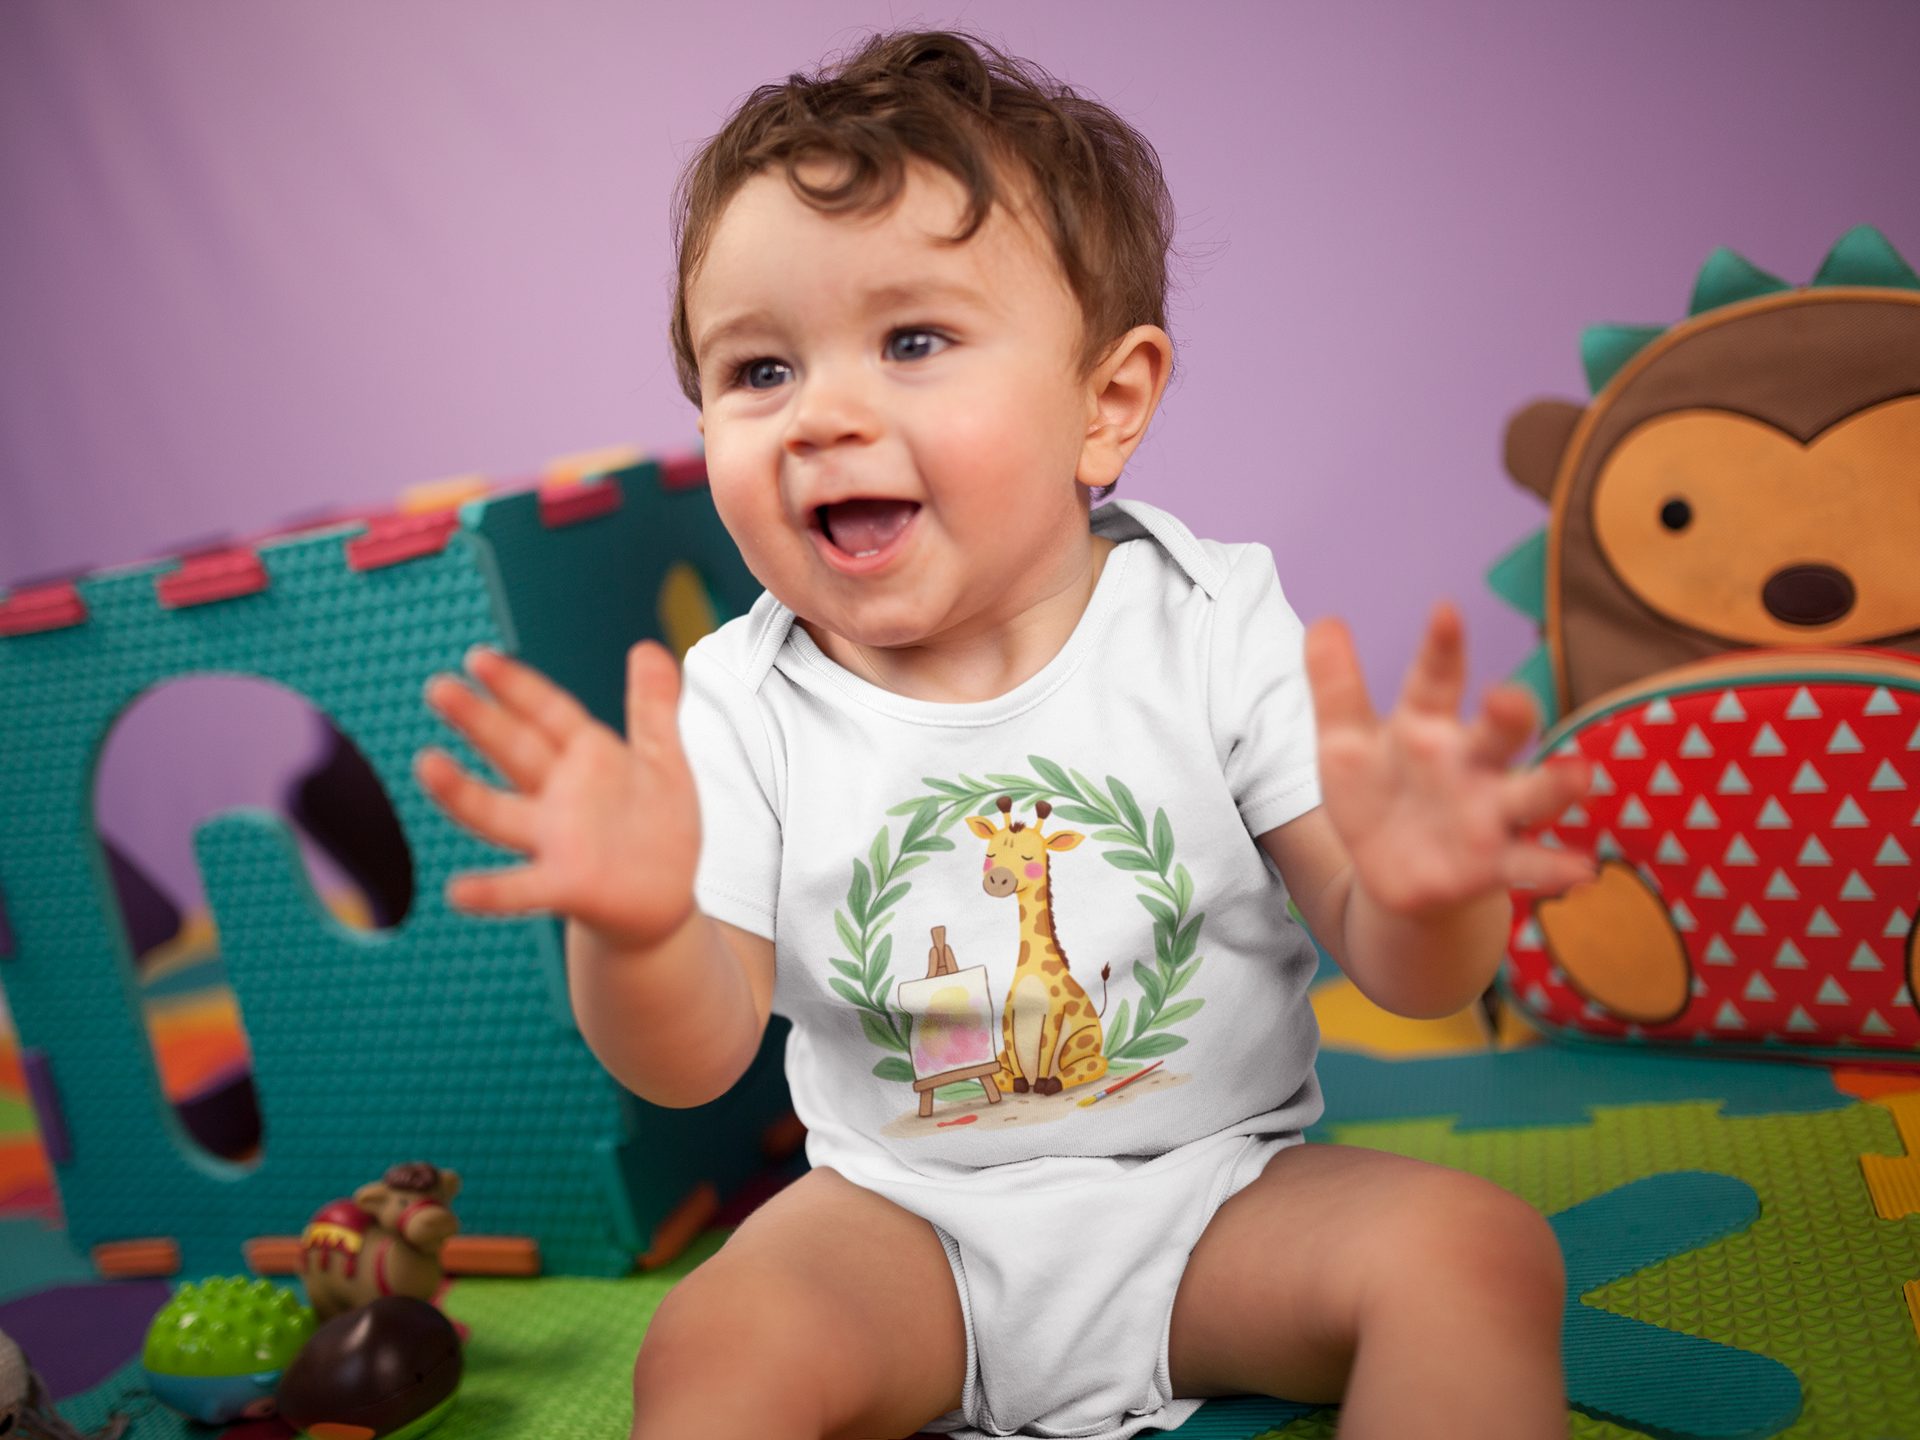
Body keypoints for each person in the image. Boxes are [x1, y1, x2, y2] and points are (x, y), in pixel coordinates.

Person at [415, 30, 1589, 1440]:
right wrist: (635, 926)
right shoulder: (737, 699)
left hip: (1221, 1204)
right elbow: (691, 1061)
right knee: (711, 1348)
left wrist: (1428, 895)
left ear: (1107, 405)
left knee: (1476, 1253)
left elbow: (1407, 973)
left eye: (912, 343)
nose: (822, 416)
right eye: (759, 370)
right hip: (899, 1230)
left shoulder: (1211, 622)